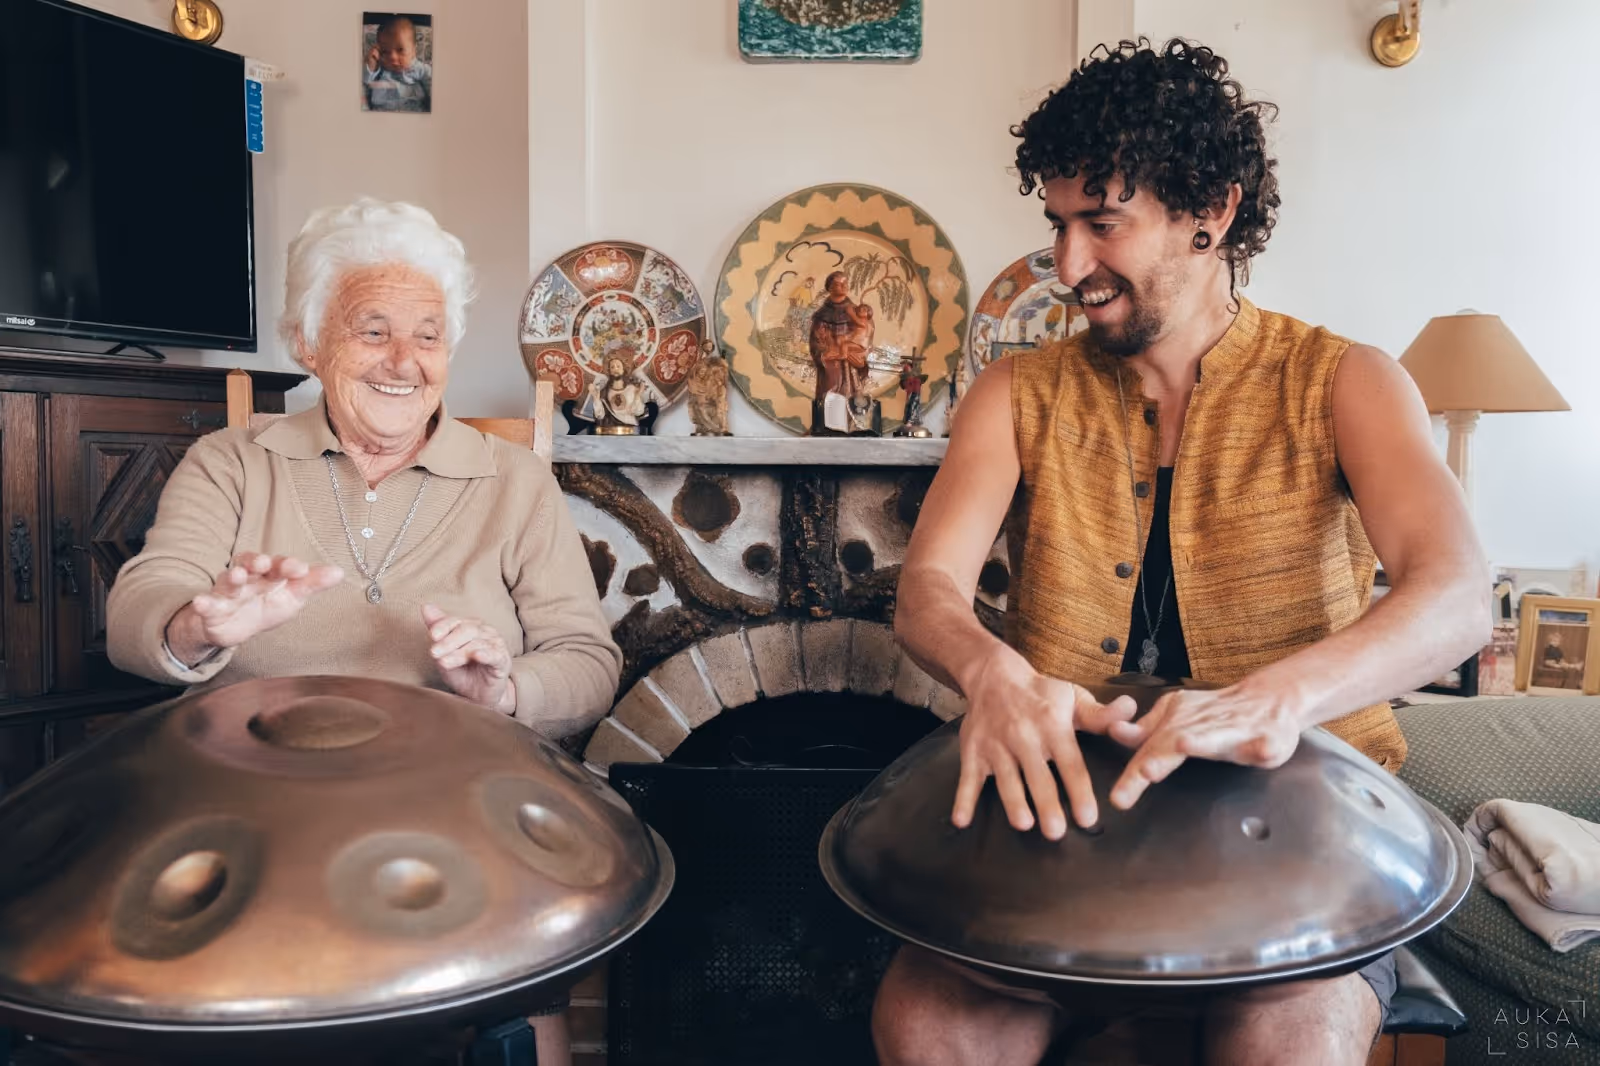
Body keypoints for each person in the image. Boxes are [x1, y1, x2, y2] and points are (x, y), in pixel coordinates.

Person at [879, 39, 1490, 1066]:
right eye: (1058, 224)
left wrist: (1279, 696)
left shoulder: (1346, 381)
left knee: (1290, 1042)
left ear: (1209, 211)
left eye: (1100, 222)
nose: (1067, 266)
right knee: (927, 1024)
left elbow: (1458, 593)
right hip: (1061, 832)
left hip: (1296, 842)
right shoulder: (1015, 392)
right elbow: (927, 588)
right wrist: (989, 670)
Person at [106, 198, 621, 1066]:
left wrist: (504, 692)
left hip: (455, 804)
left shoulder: (513, 480)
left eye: (428, 334)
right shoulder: (234, 461)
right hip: (258, 807)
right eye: (371, 329)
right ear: (309, 344)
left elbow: (587, 661)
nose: (404, 362)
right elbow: (137, 607)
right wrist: (198, 623)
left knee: (521, 950)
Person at [364, 15, 432, 113]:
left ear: (414, 50)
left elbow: (433, 83)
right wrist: (370, 65)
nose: (392, 57)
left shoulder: (419, 69)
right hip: (381, 116)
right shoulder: (378, 68)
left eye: (400, 50)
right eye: (385, 51)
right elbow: (365, 81)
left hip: (413, 114)